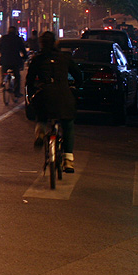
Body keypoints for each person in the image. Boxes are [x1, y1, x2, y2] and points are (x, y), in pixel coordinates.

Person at [26, 31, 84, 173]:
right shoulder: (64, 58)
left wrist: (33, 94)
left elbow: (29, 80)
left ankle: (40, 132)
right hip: (64, 96)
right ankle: (68, 160)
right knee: (68, 125)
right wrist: (76, 86)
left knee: (41, 114)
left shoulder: (37, 59)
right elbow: (78, 75)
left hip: (45, 95)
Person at [0, 26, 28, 94]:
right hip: (15, 61)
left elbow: (0, 48)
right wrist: (25, 57)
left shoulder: (4, 38)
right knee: (17, 76)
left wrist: (3, 55)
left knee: (3, 70)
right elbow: (23, 50)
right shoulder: (18, 39)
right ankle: (17, 92)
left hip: (5, 60)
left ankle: (3, 80)